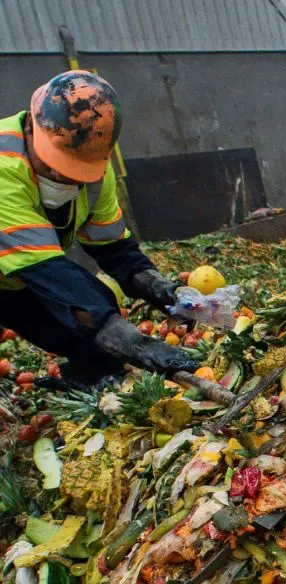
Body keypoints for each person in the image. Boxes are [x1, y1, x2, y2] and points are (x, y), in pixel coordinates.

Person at [0, 70, 195, 387]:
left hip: (14, 278)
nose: (61, 178)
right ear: (32, 131)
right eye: (53, 166)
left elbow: (114, 249)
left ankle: (83, 382)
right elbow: (51, 273)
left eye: (70, 170)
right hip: (22, 268)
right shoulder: (4, 169)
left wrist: (162, 290)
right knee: (90, 311)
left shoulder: (93, 173)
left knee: (91, 337)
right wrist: (137, 343)